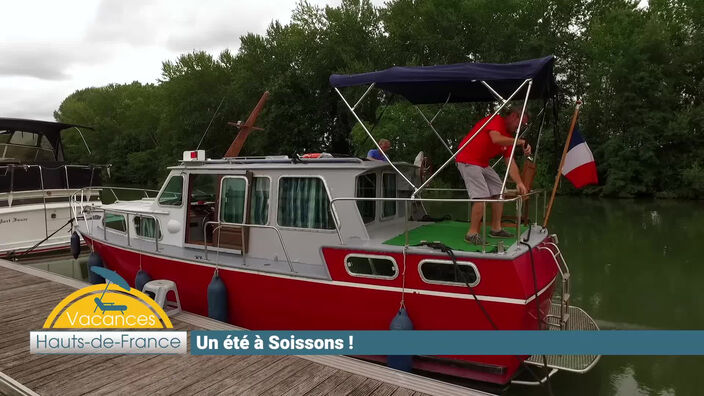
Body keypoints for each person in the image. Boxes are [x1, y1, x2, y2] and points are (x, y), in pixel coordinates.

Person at [456, 109, 532, 245]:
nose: (520, 127)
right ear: (514, 116)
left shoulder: (509, 138)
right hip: (467, 159)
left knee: (499, 189)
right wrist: (520, 142)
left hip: (482, 164)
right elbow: (496, 139)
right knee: (482, 195)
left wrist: (519, 183)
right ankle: (472, 233)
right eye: (521, 123)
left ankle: (496, 229)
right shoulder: (496, 120)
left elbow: (510, 162)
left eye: (524, 125)